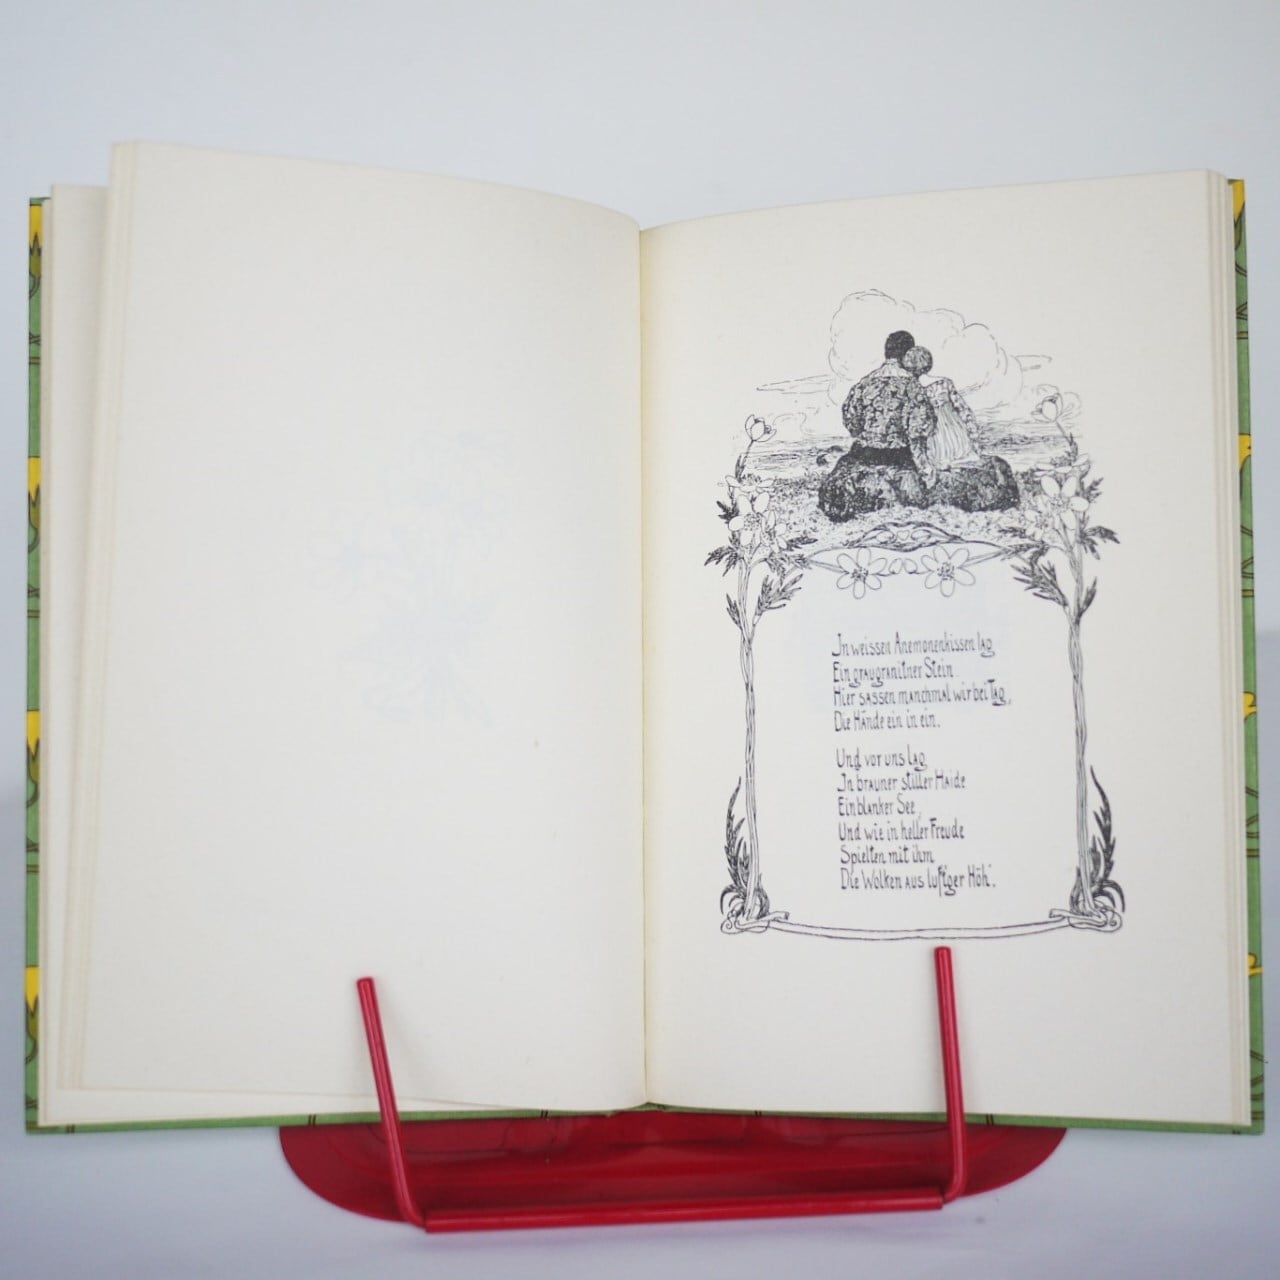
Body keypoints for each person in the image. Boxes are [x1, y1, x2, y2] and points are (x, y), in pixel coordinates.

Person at [900, 345, 981, 470]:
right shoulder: (945, 382)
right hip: (958, 438)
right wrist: (973, 433)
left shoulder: (913, 389)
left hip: (934, 440)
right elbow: (963, 409)